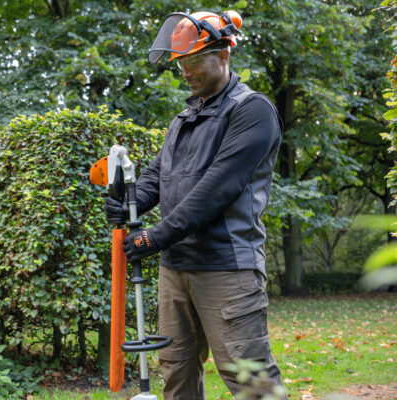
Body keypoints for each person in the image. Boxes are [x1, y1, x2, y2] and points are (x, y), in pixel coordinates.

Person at [105, 10, 288, 400]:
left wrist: (153, 237)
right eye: (180, 64)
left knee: (251, 379)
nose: (185, 72)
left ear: (224, 55)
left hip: (227, 267)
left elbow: (217, 189)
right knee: (177, 372)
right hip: (176, 269)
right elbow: (157, 175)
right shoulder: (185, 117)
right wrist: (128, 204)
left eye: (192, 62)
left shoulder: (252, 111)